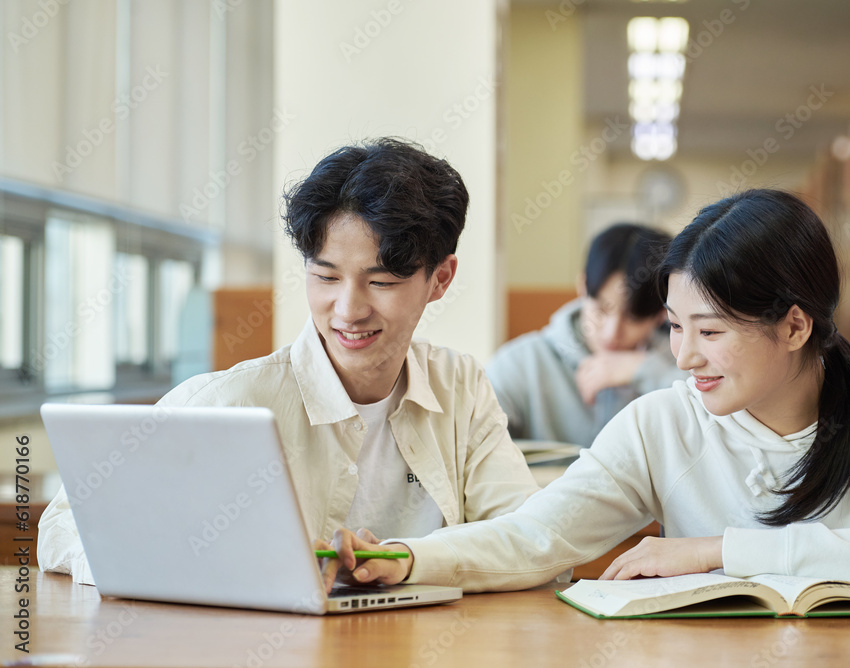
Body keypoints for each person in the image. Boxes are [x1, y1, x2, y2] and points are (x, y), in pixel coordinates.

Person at [324, 189, 850, 594]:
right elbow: (537, 537)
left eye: (710, 331)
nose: (683, 357)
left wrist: (711, 552)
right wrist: (408, 557)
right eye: (677, 327)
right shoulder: (660, 424)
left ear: (796, 324)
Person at [37, 138, 541, 585]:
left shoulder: (459, 387)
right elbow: (62, 530)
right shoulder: (229, 401)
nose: (348, 309)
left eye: (381, 282)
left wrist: (408, 558)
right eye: (325, 277)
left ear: (440, 280)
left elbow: (533, 538)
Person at [487, 223, 686, 447]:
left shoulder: (684, 365)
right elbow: (475, 448)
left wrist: (646, 371)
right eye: (601, 309)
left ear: (662, 313)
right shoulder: (520, 363)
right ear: (582, 287)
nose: (612, 334)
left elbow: (710, 424)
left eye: (634, 318)